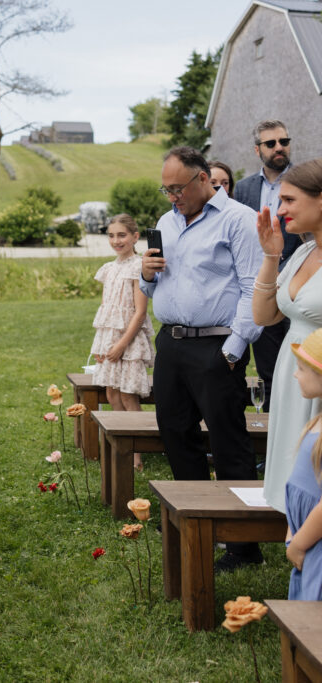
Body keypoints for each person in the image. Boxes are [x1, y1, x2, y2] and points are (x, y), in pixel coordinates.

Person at [141, 146, 263, 572]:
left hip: (217, 346)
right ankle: (195, 522)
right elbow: (155, 287)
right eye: (166, 189)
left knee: (228, 441)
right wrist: (146, 274)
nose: (172, 196)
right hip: (171, 345)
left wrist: (232, 352)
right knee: (175, 433)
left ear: (203, 178)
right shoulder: (165, 222)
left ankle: (243, 545)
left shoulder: (238, 220)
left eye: (177, 188)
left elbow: (253, 287)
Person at [252, 159, 322, 514]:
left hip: (319, 378)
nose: (280, 211)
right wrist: (271, 255)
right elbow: (263, 316)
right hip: (291, 375)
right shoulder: (304, 252)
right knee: (292, 467)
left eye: (290, 200)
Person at [234, 120, 301, 412]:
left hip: (301, 285)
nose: (279, 148)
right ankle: (272, 442)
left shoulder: (304, 182)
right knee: (269, 368)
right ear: (257, 149)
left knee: (304, 365)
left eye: (284, 142)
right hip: (262, 286)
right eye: (271, 143)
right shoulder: (244, 188)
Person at [89, 213, 155, 470]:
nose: (116, 240)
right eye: (112, 236)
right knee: (111, 392)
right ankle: (119, 447)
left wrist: (121, 346)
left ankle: (137, 454)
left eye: (122, 235)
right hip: (109, 338)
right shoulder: (109, 268)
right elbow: (108, 310)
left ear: (135, 237)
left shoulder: (138, 267)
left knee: (128, 395)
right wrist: (102, 345)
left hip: (128, 340)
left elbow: (139, 313)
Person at [285, 328, 322, 601]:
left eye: (301, 368)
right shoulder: (315, 421)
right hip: (308, 540)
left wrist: (298, 544)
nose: (295, 374)